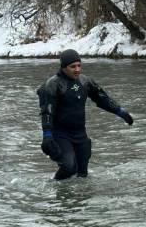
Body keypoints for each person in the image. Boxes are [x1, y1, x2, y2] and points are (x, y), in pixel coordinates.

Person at [37, 49, 134, 180]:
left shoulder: (85, 82)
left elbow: (103, 99)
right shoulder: (53, 85)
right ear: (63, 67)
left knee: (82, 175)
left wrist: (120, 112)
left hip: (80, 134)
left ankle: (79, 198)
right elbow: (47, 111)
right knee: (69, 167)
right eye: (72, 66)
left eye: (79, 65)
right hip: (60, 134)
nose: (77, 69)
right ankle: (54, 189)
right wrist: (47, 136)